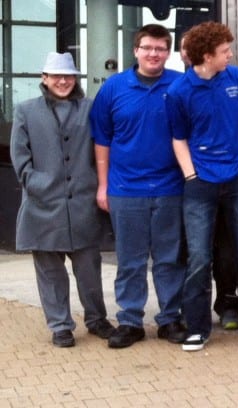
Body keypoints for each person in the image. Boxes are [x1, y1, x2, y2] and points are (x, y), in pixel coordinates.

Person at [166, 22, 238, 352]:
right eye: (225, 51)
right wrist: (191, 176)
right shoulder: (179, 91)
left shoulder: (237, 78)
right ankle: (197, 327)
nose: (231, 55)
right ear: (208, 55)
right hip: (200, 183)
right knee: (198, 257)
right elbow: (178, 138)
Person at [89, 24, 187, 348]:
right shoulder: (114, 88)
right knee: (129, 260)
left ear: (168, 52)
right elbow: (102, 140)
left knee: (169, 259)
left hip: (171, 187)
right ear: (135, 50)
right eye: (147, 47)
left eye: (160, 48)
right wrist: (103, 186)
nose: (153, 54)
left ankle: (170, 319)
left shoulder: (180, 85)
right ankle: (130, 321)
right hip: (125, 189)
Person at [11, 52, 114, 348]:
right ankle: (60, 326)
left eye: (68, 76)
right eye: (56, 76)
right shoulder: (25, 111)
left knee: (89, 270)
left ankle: (96, 319)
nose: (63, 81)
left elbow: (102, 150)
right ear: (44, 79)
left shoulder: (90, 109)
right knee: (50, 273)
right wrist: (37, 184)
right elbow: (20, 159)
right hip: (42, 207)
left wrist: (97, 184)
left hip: (83, 206)